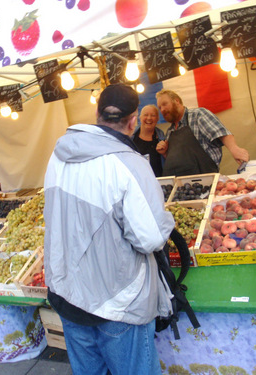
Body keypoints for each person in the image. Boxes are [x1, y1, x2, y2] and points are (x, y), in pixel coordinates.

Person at [44, 84, 175, 375]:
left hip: (66, 293)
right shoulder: (130, 164)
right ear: (134, 120)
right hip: (116, 301)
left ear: (96, 113)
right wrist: (167, 221)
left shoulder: (59, 155)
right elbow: (150, 238)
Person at [155, 89, 249, 177]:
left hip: (206, 180)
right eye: (160, 107)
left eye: (165, 104)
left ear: (177, 101)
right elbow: (179, 160)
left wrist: (234, 148)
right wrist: (164, 153)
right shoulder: (169, 132)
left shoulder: (198, 115)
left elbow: (221, 132)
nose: (162, 109)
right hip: (183, 186)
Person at [131, 104, 166, 177]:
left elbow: (169, 163)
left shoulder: (163, 139)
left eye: (153, 115)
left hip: (158, 182)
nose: (149, 118)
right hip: (136, 182)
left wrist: (164, 153)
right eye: (146, 115)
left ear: (157, 119)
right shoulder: (129, 138)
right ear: (140, 117)